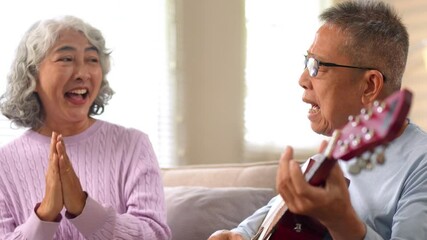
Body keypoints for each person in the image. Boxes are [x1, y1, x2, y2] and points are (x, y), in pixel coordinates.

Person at [209, 0, 427, 239]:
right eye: (307, 62)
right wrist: (234, 234)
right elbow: (258, 225)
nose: (302, 79)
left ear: (369, 86)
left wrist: (341, 220)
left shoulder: (421, 165)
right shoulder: (323, 162)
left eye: (317, 66)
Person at [0, 15, 171, 239]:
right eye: (66, 59)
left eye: (92, 59)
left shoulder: (132, 145)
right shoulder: (4, 164)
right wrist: (45, 214)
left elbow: (156, 235)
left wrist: (83, 208)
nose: (83, 73)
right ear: (32, 74)